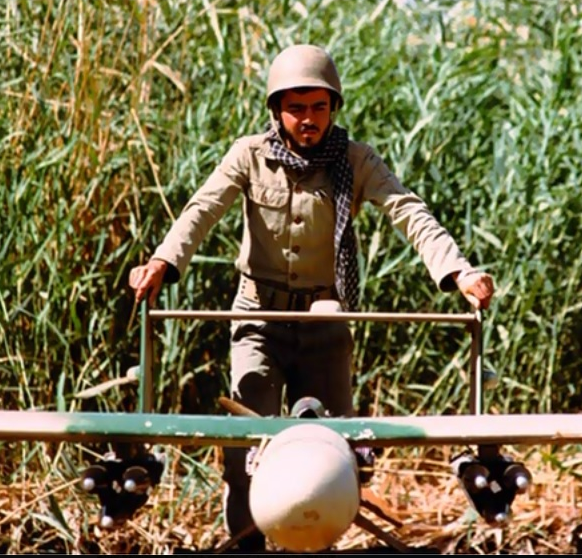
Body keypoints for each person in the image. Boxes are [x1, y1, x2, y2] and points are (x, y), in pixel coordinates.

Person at [128, 43, 495, 551]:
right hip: (258, 315)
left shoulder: (355, 160)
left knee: (336, 450)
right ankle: (246, 546)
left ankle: (318, 542)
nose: (308, 119)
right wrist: (162, 262)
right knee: (244, 449)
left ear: (333, 108)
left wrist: (460, 273)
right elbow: (202, 209)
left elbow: (409, 212)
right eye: (296, 107)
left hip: (324, 319)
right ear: (276, 110)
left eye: (319, 107)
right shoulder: (249, 155)